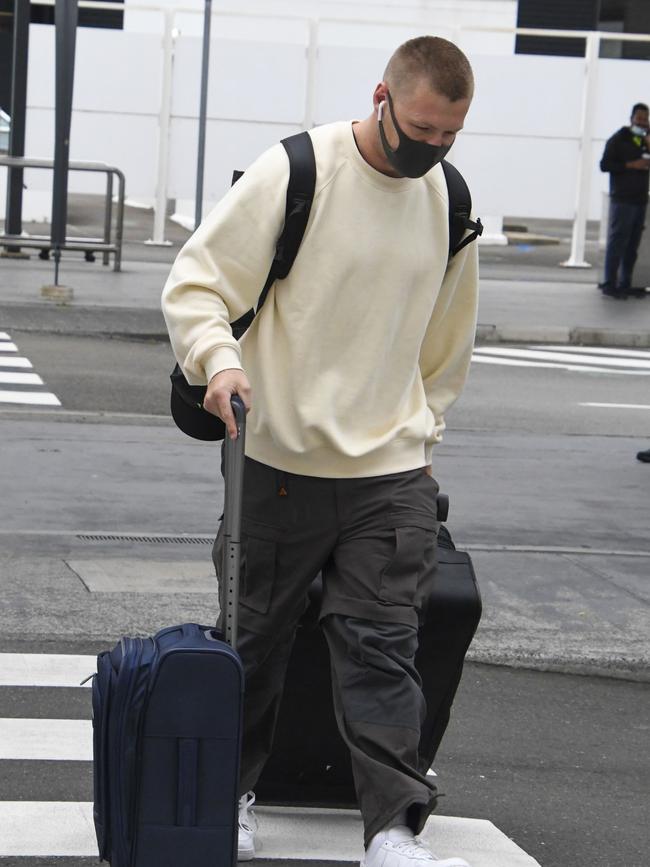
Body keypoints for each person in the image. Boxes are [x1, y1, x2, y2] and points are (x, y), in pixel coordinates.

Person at [162, 35, 478, 867]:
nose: (433, 148)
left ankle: (391, 829)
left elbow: (449, 339)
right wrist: (221, 364)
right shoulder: (298, 171)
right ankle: (229, 795)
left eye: (450, 135)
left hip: (389, 473)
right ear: (382, 97)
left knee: (382, 648)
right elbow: (198, 282)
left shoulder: (448, 197)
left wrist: (425, 429)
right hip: (276, 458)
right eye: (421, 129)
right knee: (252, 644)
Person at [599, 103, 650, 299]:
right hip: (622, 199)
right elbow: (604, 165)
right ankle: (609, 283)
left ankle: (626, 283)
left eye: (645, 119)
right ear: (631, 119)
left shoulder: (645, 140)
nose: (643, 123)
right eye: (639, 119)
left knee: (632, 245)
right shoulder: (619, 139)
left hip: (640, 200)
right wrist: (630, 165)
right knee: (617, 241)